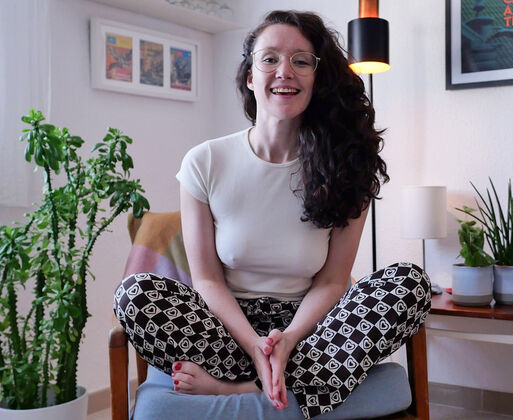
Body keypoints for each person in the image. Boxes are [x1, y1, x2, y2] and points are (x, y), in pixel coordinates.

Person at [114, 10, 431, 419]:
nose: (285, 71)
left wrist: (289, 338)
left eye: (301, 61)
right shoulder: (204, 161)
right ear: (250, 76)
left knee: (410, 283)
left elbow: (333, 281)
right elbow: (207, 280)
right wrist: (253, 344)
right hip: (226, 329)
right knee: (134, 293)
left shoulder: (349, 166)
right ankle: (286, 383)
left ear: (317, 78)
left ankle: (242, 388)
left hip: (311, 329)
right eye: (270, 59)